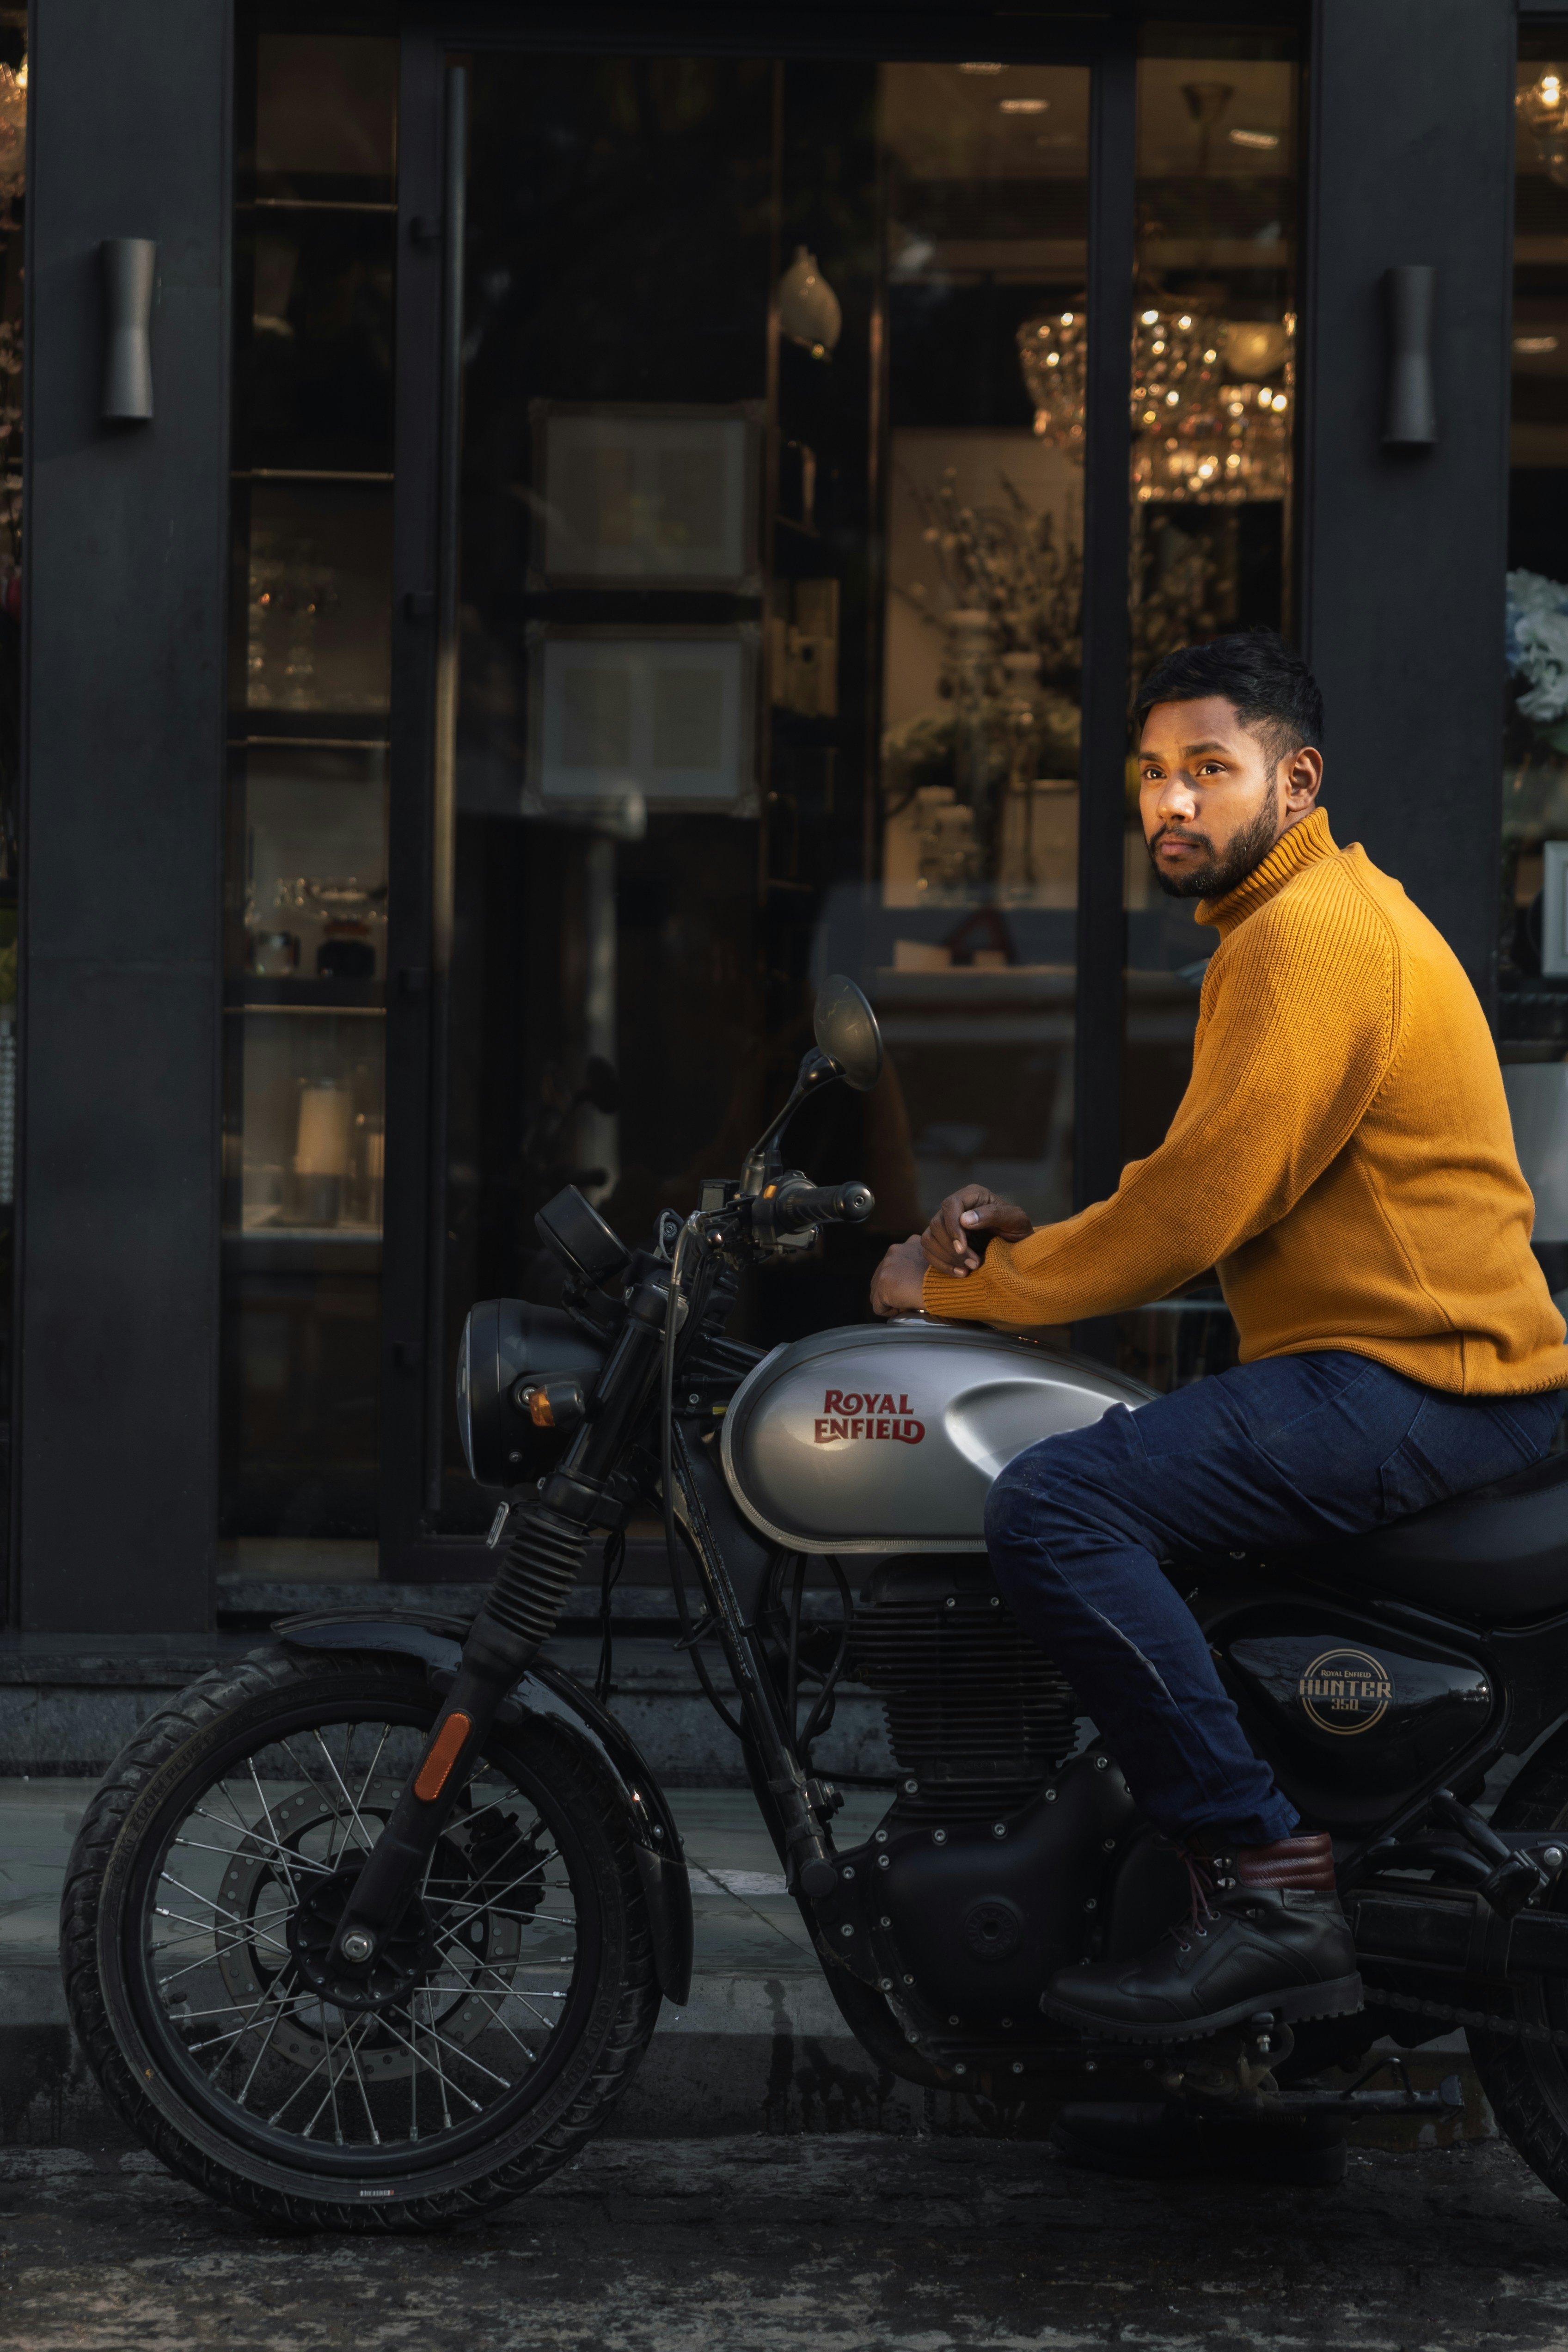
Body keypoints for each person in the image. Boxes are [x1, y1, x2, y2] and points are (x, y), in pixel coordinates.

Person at [869, 629, 1568, 2042]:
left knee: (1056, 1507)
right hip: (1417, 1373)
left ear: (1294, 782)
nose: (1172, 802)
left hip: (1414, 1383)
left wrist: (959, 1293)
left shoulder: (1306, 937)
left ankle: (1264, 1888)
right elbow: (1217, 1183)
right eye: (1151, 774)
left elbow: (1195, 1209)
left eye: (1209, 768)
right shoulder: (1305, 918)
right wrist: (1034, 1252)